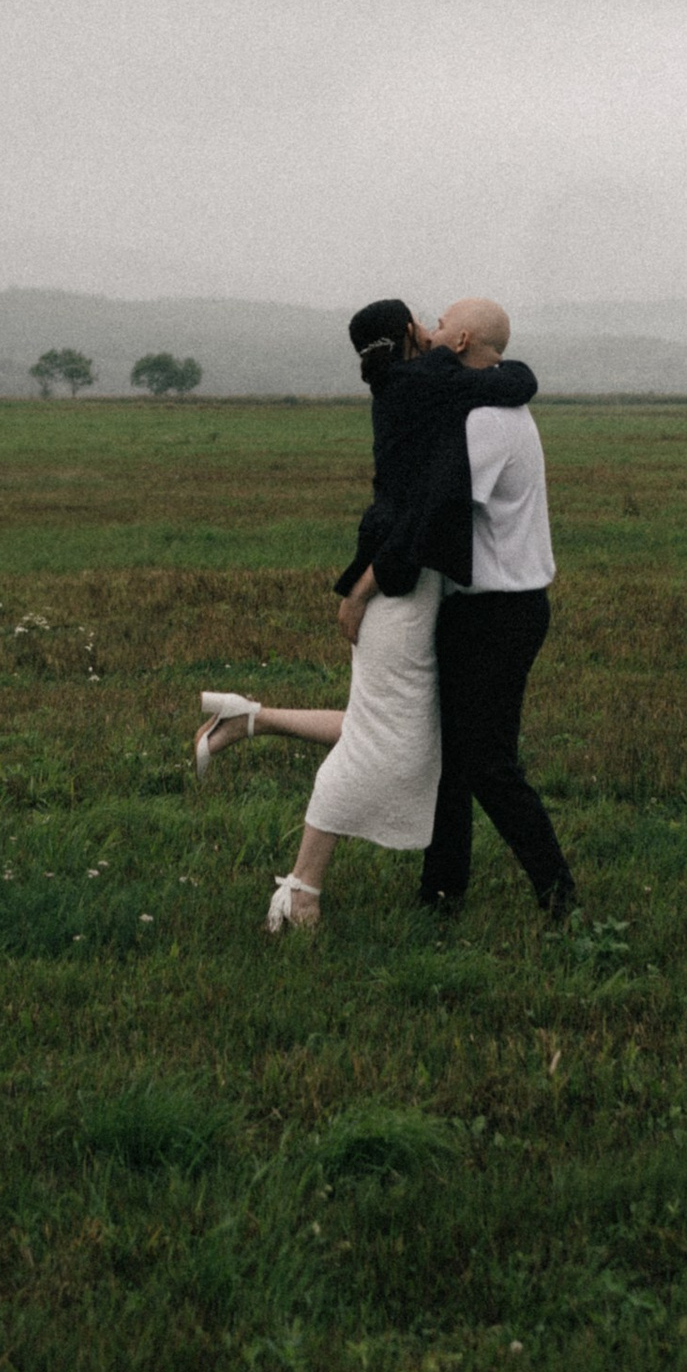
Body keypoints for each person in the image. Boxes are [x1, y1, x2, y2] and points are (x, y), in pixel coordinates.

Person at [191, 297, 540, 935]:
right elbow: (515, 378)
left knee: (391, 727)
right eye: (427, 325)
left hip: (402, 594)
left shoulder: (397, 386)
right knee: (381, 747)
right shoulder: (429, 383)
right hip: (397, 597)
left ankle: (251, 719)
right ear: (414, 334)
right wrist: (363, 590)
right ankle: (300, 888)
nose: (437, 333)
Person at [418, 299, 574, 921]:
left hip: (493, 615)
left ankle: (558, 891)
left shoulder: (486, 417)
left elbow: (446, 503)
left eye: (438, 322)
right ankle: (441, 894)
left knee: (484, 764)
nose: (429, 330)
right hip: (505, 610)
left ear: (458, 339)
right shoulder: (504, 404)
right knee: (456, 762)